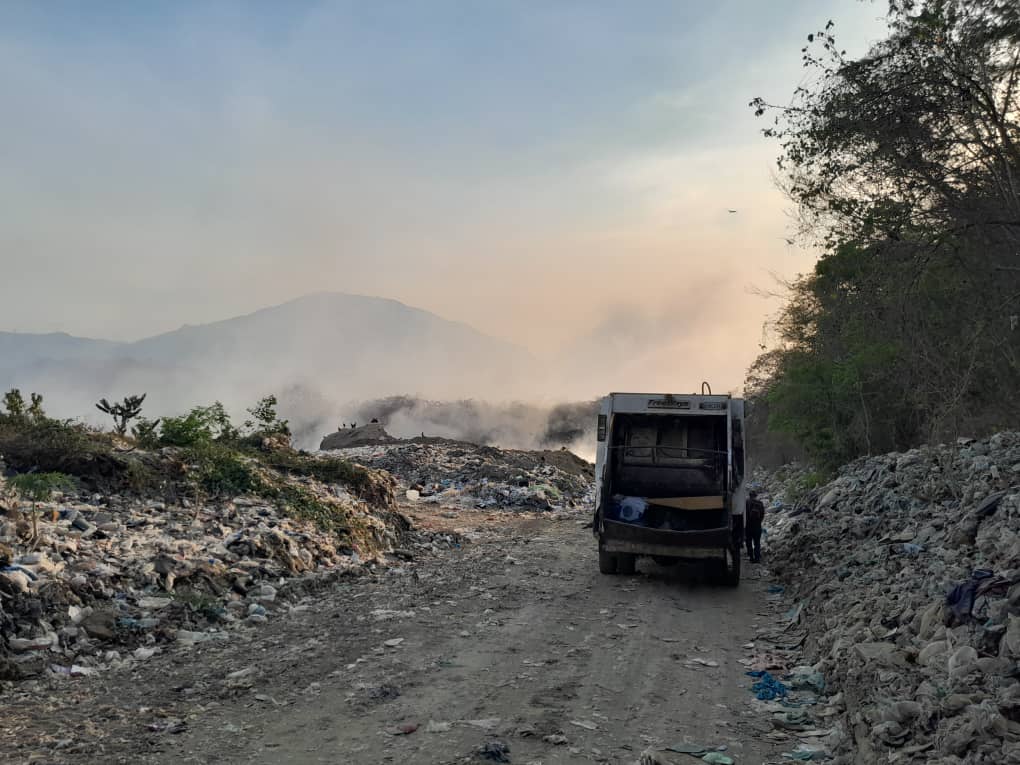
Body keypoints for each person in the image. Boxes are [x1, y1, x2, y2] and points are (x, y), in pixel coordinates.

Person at [745, 489, 765, 563]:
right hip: (757, 526)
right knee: (757, 542)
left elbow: (743, 515)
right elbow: (762, 515)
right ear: (756, 496)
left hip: (748, 526)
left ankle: (751, 557)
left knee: (749, 542)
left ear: (749, 495)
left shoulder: (746, 502)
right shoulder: (760, 503)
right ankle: (757, 558)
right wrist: (759, 522)